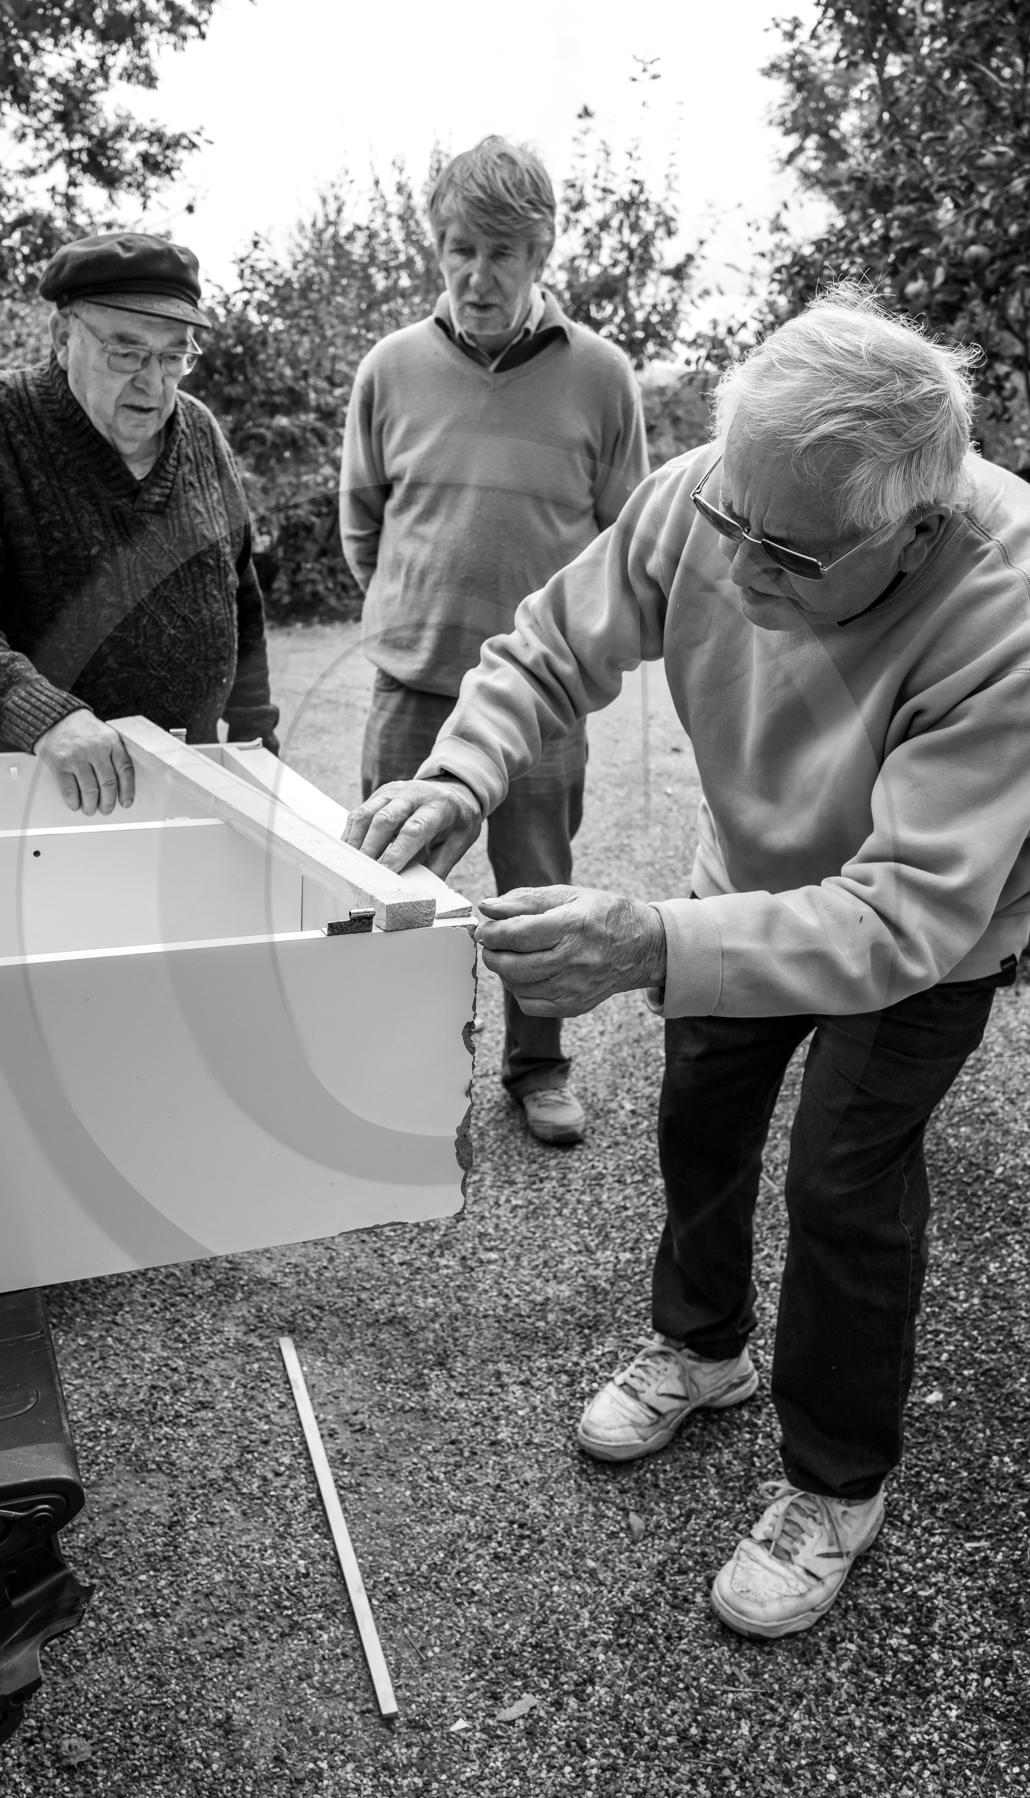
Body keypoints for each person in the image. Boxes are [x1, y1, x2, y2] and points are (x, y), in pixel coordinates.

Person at [344, 286, 1030, 1639]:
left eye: (794, 551)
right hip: (746, 882)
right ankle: (702, 1351)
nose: (748, 566)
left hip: (929, 932)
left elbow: (900, 916)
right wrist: (463, 772)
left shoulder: (1005, 605)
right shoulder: (707, 498)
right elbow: (547, 645)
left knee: (844, 1174)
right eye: (738, 523)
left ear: (916, 526)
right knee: (700, 1114)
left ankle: (837, 1481)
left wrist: (647, 941)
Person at [340, 137, 649, 1147]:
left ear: (540, 253)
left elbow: (626, 544)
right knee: (389, 887)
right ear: (437, 246)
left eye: (500, 254)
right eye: (458, 248)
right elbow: (363, 523)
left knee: (535, 893)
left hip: (542, 704)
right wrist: (414, 618)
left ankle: (538, 1067)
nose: (476, 273)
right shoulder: (389, 369)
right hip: (413, 688)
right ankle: (387, 1068)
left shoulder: (602, 378)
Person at [0, 232, 277, 812]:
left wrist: (259, 739)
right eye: (126, 353)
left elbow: (241, 601)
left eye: (173, 356)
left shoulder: (201, 431)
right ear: (62, 336)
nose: (154, 384)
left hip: (187, 789)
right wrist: (43, 716)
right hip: (25, 791)